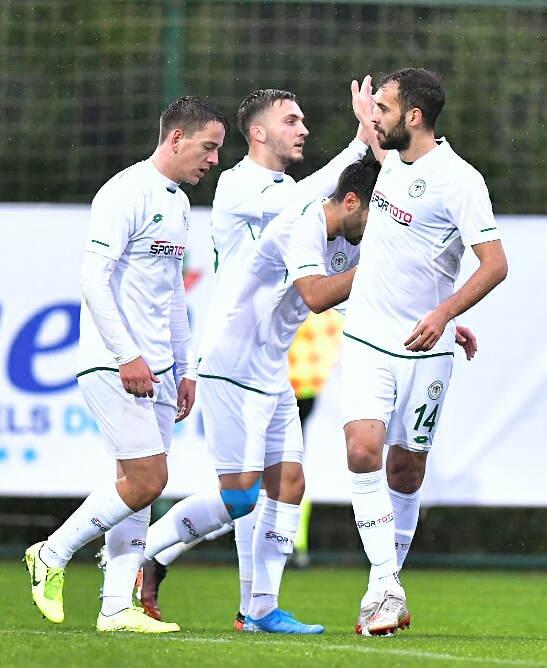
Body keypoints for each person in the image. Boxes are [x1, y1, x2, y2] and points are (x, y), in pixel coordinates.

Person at [139, 80, 376, 625]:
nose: (303, 129)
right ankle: (143, 554)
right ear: (259, 132)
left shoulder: (301, 201)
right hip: (232, 356)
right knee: (241, 497)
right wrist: (359, 144)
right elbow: (304, 206)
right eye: (291, 120)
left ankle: (261, 608)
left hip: (271, 364)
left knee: (288, 483)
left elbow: (337, 286)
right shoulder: (238, 184)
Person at [24, 95, 229, 633]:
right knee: (148, 478)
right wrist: (127, 356)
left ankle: (116, 607)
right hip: (115, 363)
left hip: (158, 368)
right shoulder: (124, 191)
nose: (214, 160)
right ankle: (51, 552)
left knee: (136, 489)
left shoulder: (178, 204)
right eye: (208, 147)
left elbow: (173, 294)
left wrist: (185, 368)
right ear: (176, 138)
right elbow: (92, 281)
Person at [341, 68, 508, 637]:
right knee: (362, 450)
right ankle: (386, 584)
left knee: (405, 469)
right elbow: (379, 147)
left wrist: (444, 316)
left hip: (423, 346)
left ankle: (380, 590)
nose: (377, 118)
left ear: (414, 117)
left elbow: (495, 264)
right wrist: (366, 116)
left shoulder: (460, 181)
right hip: (367, 335)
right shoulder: (391, 161)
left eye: (386, 109)